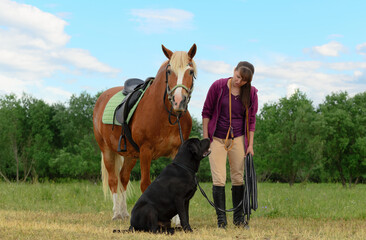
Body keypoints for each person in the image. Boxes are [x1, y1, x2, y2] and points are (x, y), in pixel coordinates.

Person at [202, 61, 258, 228]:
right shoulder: (218, 86)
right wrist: (206, 139)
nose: (238, 81)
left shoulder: (252, 93)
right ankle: (221, 221)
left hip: (239, 138)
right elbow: (206, 112)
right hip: (217, 139)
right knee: (219, 179)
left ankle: (238, 219)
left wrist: (250, 145)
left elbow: (252, 120)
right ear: (234, 71)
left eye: (242, 80)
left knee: (238, 178)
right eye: (237, 76)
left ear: (248, 82)